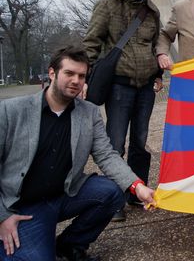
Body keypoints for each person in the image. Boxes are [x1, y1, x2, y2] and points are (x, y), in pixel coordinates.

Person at [0, 45, 156, 261]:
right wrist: (3, 216)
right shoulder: (11, 111)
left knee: (111, 192)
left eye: (81, 76)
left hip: (65, 193)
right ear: (52, 73)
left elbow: (106, 155)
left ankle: (69, 245)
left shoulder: (89, 113)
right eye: (69, 73)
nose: (76, 80)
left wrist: (136, 186)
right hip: (25, 206)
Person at [83, 0, 162, 222]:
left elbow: (155, 46)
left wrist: (158, 73)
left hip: (145, 87)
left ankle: (135, 193)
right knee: (115, 143)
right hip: (119, 85)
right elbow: (91, 43)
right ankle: (114, 198)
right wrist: (85, 78)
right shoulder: (107, 7)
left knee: (140, 142)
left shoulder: (151, 11)